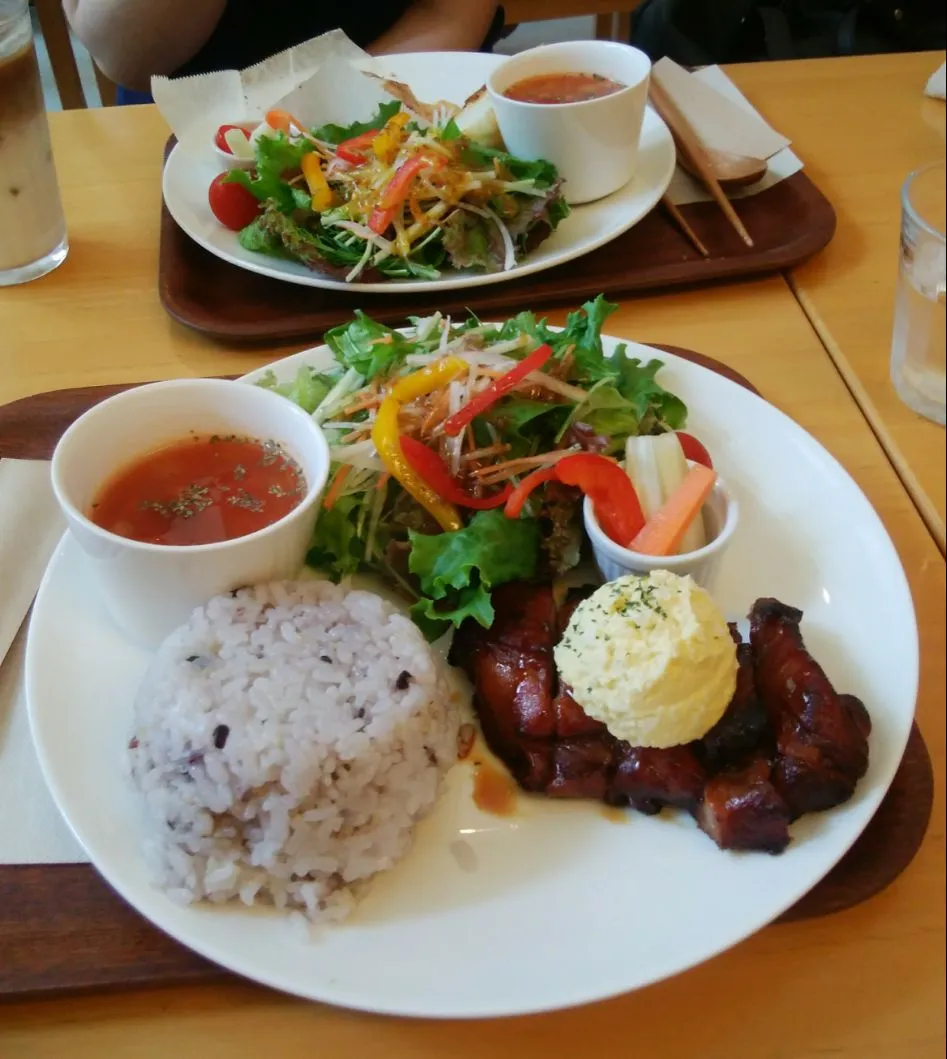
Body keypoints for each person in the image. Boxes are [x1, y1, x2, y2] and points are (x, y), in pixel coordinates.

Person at [64, 0, 504, 102]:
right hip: (184, 123)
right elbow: (126, 56)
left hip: (410, 90)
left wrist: (320, 115)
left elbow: (449, 10)